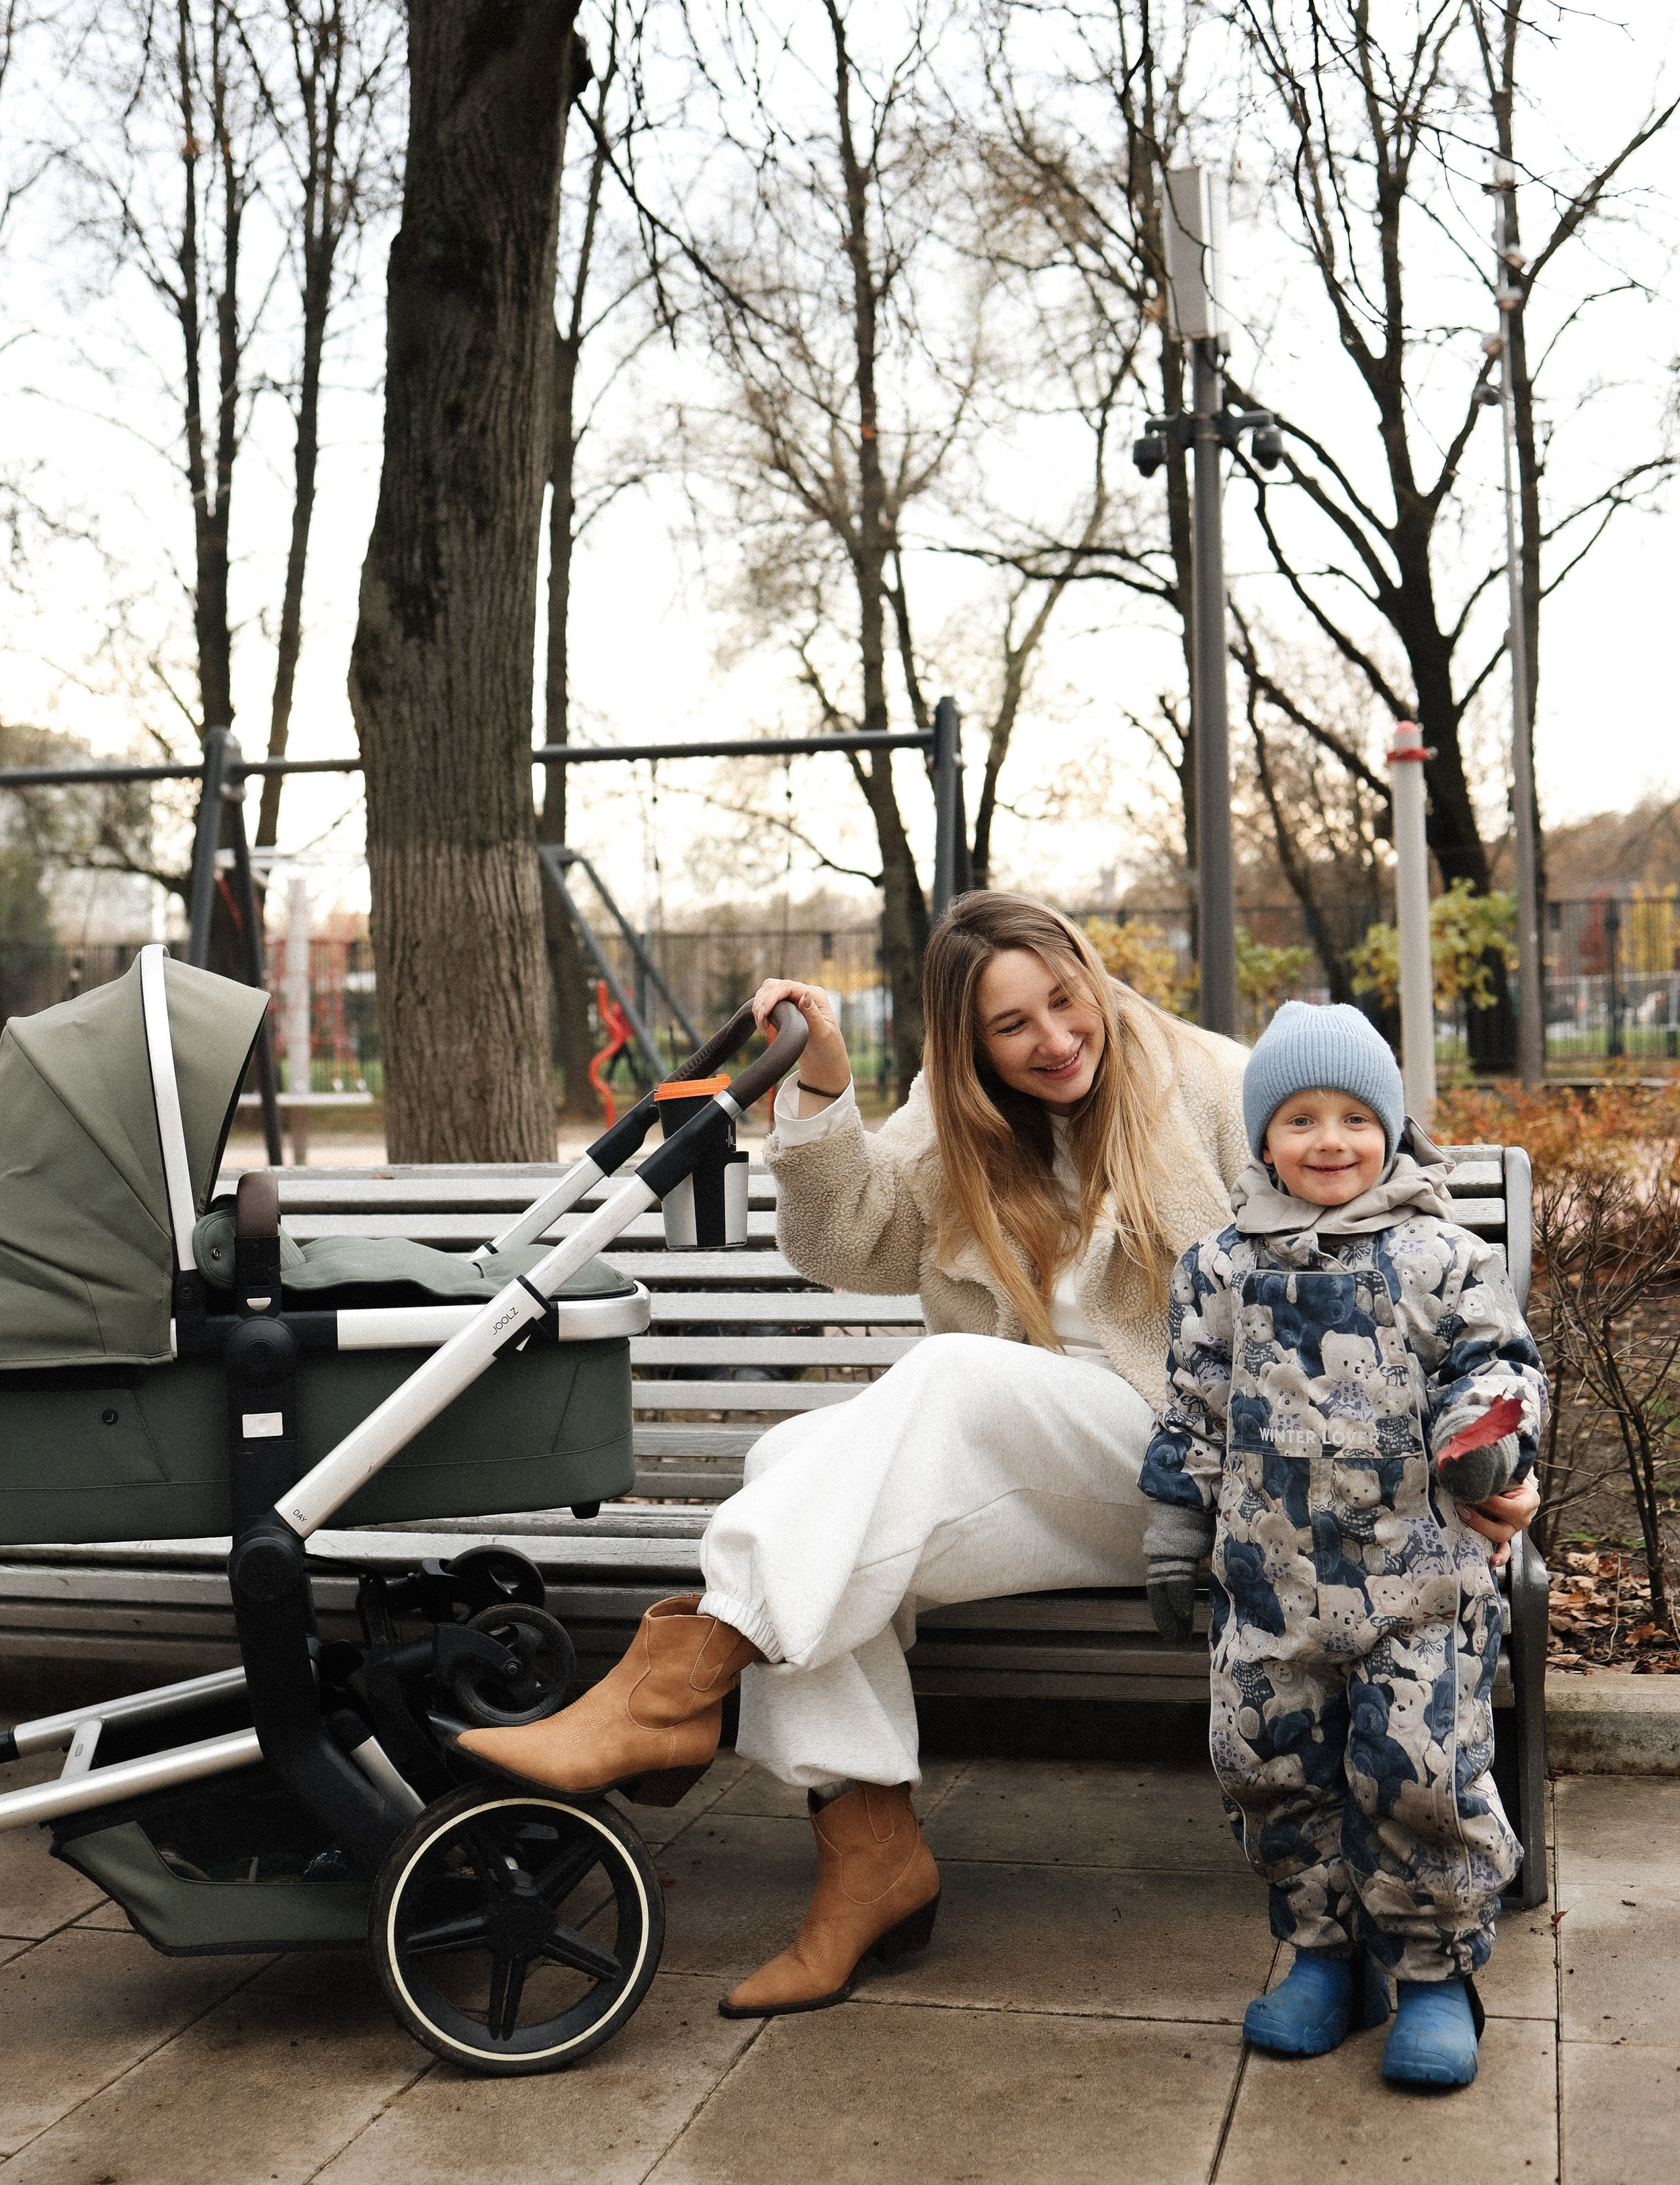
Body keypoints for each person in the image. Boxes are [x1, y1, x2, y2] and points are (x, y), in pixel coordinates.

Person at [459, 891, 1250, 2016]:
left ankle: (675, 1682)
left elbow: (1366, 1259)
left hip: (1188, 1469)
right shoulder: (962, 1113)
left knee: (947, 1376)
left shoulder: (1213, 1083)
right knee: (791, 1465)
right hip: (1047, 1472)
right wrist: (823, 1087)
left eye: (1064, 1001)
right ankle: (869, 1859)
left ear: (1090, 976)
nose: (1054, 1039)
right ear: (971, 1044)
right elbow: (849, 1244)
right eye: (1011, 1025)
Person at [1137, 1001, 1545, 2092]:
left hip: (1420, 1587)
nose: (1330, 1140)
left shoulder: (1444, 1257)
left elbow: (1499, 1369)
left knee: (1422, 1771)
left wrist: (1486, 1442)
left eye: (1357, 1118)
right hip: (1268, 1592)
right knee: (1270, 1767)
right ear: (1264, 1137)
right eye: (1301, 1118)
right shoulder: (1217, 1269)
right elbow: (1193, 1407)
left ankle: (1434, 1976)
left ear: (1393, 1128)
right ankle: (1326, 1957)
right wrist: (1174, 1528)